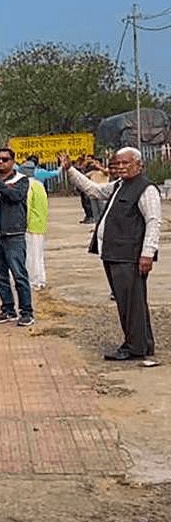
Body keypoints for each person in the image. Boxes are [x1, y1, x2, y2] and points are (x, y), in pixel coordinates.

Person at [60, 148, 161, 366]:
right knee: (129, 302)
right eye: (117, 163)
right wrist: (70, 170)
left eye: (126, 163)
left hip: (129, 255)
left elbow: (153, 221)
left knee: (131, 304)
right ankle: (142, 344)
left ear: (139, 165)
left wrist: (147, 253)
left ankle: (135, 348)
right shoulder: (119, 185)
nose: (120, 167)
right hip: (114, 253)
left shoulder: (146, 189)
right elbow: (94, 190)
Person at [0, 147, 34, 326]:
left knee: (19, 275)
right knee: (0, 278)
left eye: (5, 159)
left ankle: (26, 312)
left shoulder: (21, 180)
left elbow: (15, 196)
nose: (0, 162)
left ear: (13, 162)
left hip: (13, 235)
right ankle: (8, 309)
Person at [18, 162, 50, 290]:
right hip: (40, 223)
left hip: (31, 225)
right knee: (39, 255)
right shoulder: (39, 185)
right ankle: (41, 279)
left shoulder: (28, 186)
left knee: (32, 255)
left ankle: (34, 281)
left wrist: (23, 224)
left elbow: (27, 206)